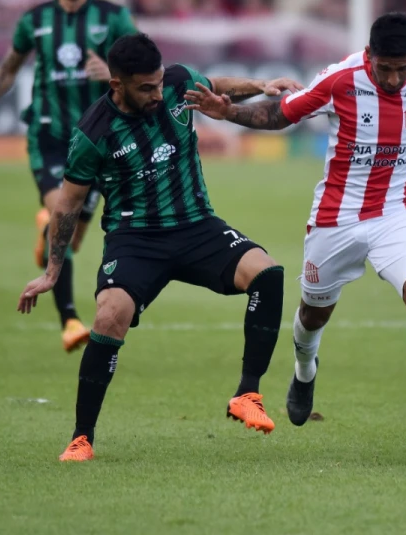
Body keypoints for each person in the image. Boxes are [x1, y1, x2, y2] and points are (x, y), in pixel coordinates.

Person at [184, 12, 406, 424]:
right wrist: (230, 114)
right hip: (337, 218)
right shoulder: (340, 80)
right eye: (384, 69)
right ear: (369, 56)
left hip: (397, 212)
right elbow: (281, 114)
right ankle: (304, 370)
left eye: (401, 69)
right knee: (314, 313)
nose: (392, 80)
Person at [16, 33, 304, 461]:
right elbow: (68, 206)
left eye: (159, 83)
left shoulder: (175, 82)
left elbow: (214, 84)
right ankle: (82, 437)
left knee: (268, 273)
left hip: (197, 227)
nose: (157, 93)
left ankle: (247, 393)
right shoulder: (93, 133)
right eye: (146, 87)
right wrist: (53, 270)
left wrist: (261, 86)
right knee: (110, 314)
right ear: (117, 84)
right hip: (135, 240)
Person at [0, 0, 139, 352]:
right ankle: (70, 320)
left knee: (68, 239)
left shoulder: (113, 18)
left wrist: (111, 71)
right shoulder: (34, 21)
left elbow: (146, 68)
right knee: (62, 215)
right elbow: (8, 71)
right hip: (50, 137)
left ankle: (48, 229)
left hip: (99, 139)